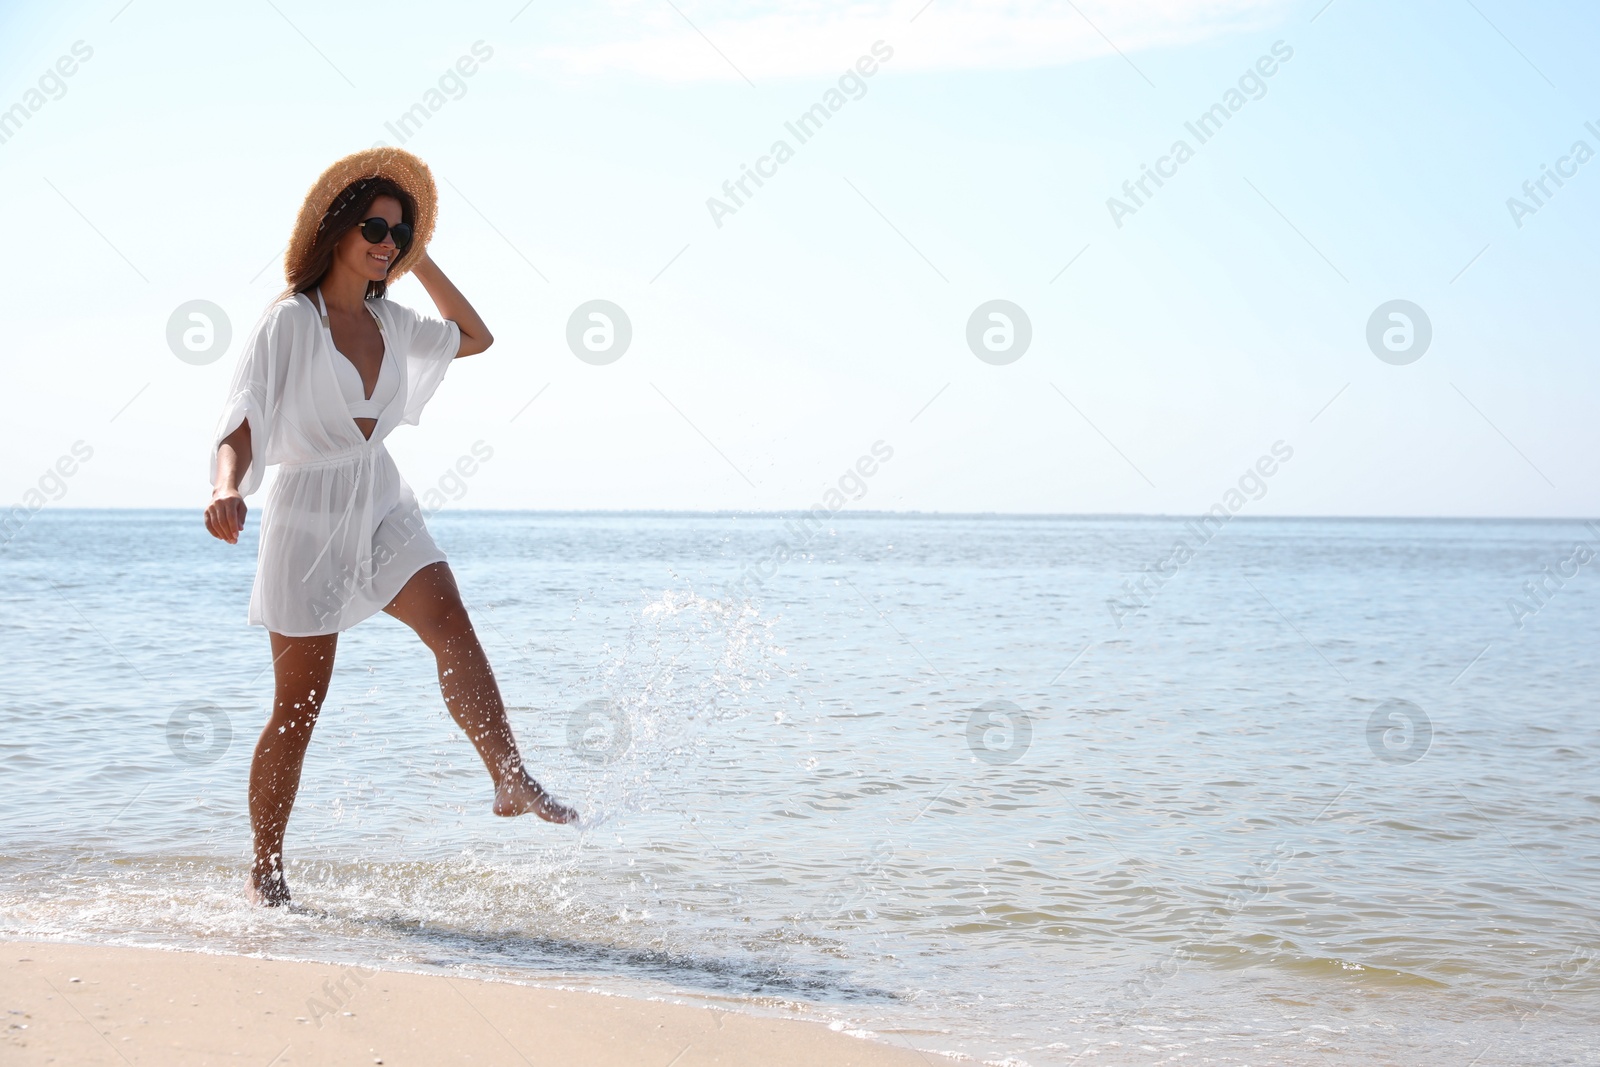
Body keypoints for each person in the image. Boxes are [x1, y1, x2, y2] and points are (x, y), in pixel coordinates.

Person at [202, 148, 576, 907]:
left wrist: (422, 258)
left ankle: (508, 773)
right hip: (306, 517)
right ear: (336, 229)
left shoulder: (388, 315)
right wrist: (224, 487)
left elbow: (475, 336)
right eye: (374, 226)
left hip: (379, 495)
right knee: (298, 708)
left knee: (451, 619)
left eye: (398, 234)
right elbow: (240, 421)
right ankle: (266, 867)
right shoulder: (289, 322)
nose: (385, 242)